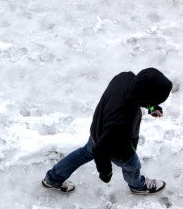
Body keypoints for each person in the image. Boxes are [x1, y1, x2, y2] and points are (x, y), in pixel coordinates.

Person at [42, 67, 173, 194]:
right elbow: (100, 150)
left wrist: (151, 107)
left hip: (97, 130)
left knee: (84, 153)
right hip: (118, 148)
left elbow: (136, 95)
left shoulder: (125, 77)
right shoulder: (121, 120)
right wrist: (106, 173)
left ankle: (53, 179)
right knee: (133, 166)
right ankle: (138, 186)